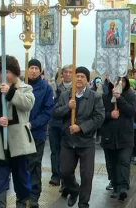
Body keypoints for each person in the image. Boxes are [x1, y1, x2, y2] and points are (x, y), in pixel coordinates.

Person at [0, 55, 36, 207]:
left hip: (19, 142)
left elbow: (28, 104)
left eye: (9, 71)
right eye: (3, 72)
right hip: (0, 142)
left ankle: (23, 201)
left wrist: (11, 93)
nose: (6, 75)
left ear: (15, 73)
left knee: (22, 177)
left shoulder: (25, 89)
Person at [53, 67, 105, 208]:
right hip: (68, 141)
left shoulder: (95, 97)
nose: (80, 79)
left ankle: (83, 203)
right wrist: (67, 108)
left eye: (83, 76)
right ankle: (74, 190)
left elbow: (99, 117)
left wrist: (81, 127)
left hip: (86, 142)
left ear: (88, 80)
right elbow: (55, 112)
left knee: (87, 175)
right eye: (78, 76)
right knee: (64, 172)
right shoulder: (65, 96)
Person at [100, 76, 136, 200]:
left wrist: (120, 99)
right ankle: (115, 186)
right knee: (112, 163)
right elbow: (99, 115)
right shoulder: (105, 97)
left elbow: (132, 111)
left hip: (125, 136)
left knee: (124, 161)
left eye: (123, 81)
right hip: (109, 136)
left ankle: (123, 187)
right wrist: (110, 115)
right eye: (116, 81)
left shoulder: (129, 95)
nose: (120, 84)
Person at [26, 59, 54, 207]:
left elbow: (47, 110)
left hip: (37, 133)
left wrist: (33, 123)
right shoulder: (20, 86)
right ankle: (22, 192)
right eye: (31, 67)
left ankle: (34, 195)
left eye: (36, 68)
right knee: (22, 164)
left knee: (34, 163)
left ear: (40, 70)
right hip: (19, 133)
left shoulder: (45, 88)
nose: (33, 71)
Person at [48, 64, 79, 196]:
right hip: (55, 124)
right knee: (55, 152)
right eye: (65, 72)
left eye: (70, 72)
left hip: (68, 126)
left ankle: (65, 181)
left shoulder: (76, 89)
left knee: (67, 155)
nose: (67, 74)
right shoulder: (55, 87)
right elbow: (53, 107)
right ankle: (56, 175)